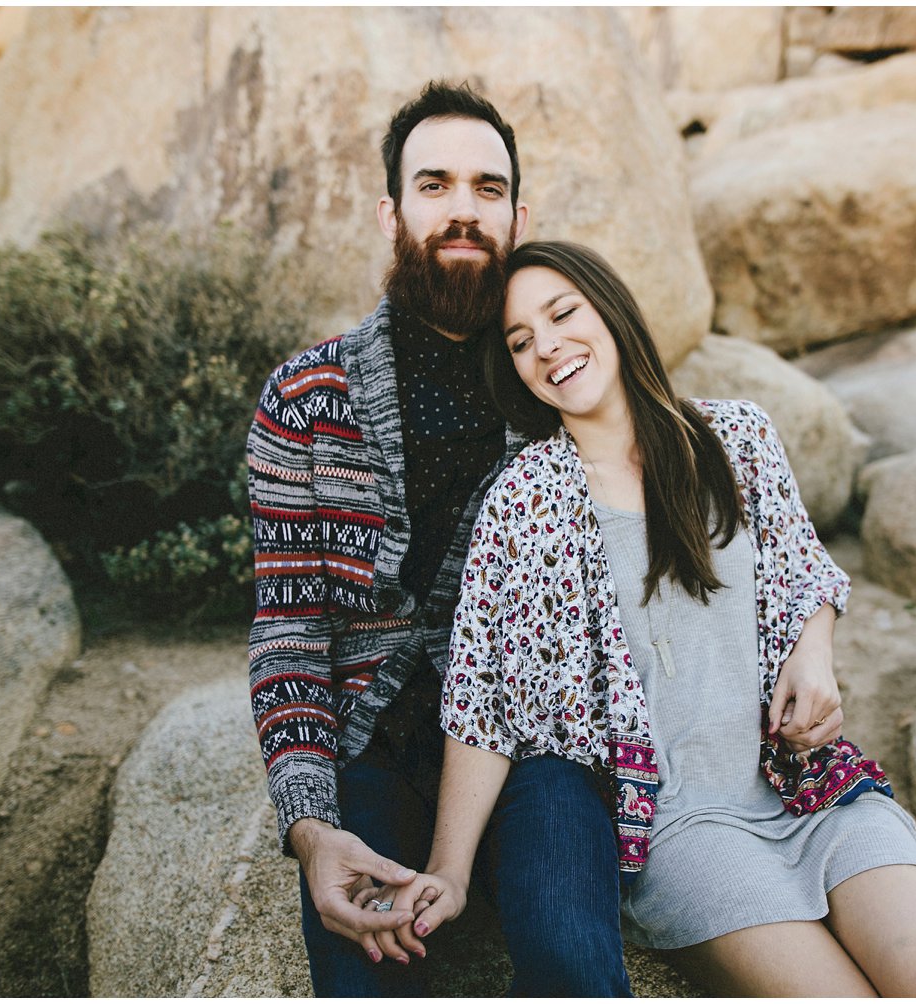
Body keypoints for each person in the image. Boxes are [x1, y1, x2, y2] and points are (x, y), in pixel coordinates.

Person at [372, 241, 916, 996]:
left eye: (563, 314)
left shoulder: (739, 437)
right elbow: (483, 700)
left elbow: (804, 570)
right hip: (683, 830)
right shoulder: (525, 501)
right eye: (522, 342)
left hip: (811, 791)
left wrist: (813, 651)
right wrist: (450, 870)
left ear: (613, 310)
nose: (548, 347)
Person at [246, 87, 632, 996]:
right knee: (362, 970)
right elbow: (289, 629)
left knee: (572, 959)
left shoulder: (560, 391)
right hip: (368, 741)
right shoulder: (306, 400)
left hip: (534, 740)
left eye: (487, 189)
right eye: (435, 184)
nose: (464, 207)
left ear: (518, 215)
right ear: (393, 211)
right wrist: (310, 826)